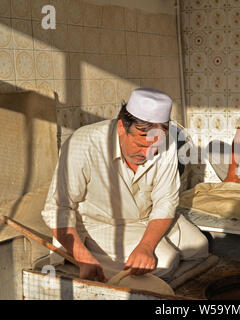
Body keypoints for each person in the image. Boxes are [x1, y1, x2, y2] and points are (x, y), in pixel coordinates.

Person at [41, 88, 209, 282]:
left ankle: (117, 260)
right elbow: (57, 208)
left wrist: (145, 246)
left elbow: (165, 202)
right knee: (165, 261)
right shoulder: (82, 145)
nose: (147, 154)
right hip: (99, 225)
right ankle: (82, 258)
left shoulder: (167, 142)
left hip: (144, 217)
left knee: (199, 246)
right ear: (121, 128)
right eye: (141, 146)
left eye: (154, 148)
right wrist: (83, 258)